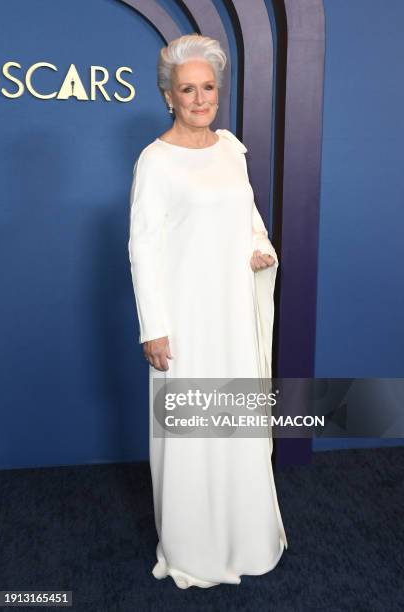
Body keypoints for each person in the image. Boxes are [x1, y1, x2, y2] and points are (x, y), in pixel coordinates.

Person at [128, 33, 288, 589]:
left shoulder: (231, 149)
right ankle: (194, 547)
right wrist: (156, 327)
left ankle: (246, 541)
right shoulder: (155, 160)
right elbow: (143, 246)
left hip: (231, 312)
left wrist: (259, 247)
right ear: (169, 96)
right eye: (187, 90)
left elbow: (248, 218)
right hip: (187, 319)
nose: (200, 99)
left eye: (208, 88)